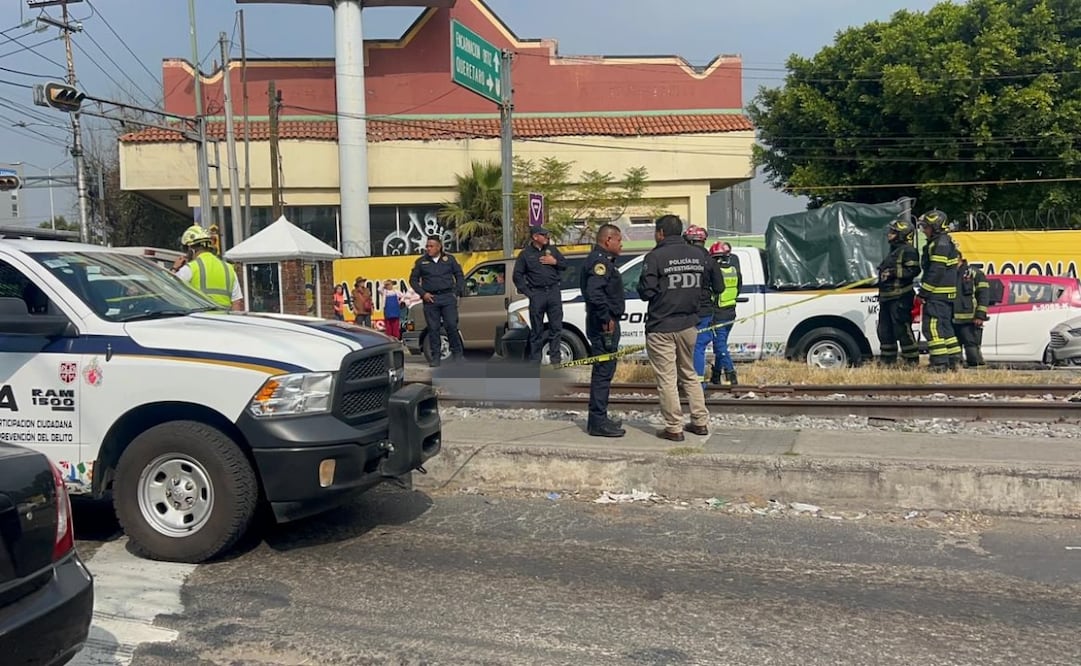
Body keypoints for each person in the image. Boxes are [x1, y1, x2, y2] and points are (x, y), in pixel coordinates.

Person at [637, 214, 710, 441]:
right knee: (689, 374)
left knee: (667, 379)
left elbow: (646, 292)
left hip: (662, 326)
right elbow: (709, 285)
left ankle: (674, 427)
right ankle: (700, 422)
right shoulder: (698, 255)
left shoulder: (655, 256)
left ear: (660, 233)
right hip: (689, 324)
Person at [581, 224, 627, 438]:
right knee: (602, 372)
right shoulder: (600, 262)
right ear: (608, 240)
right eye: (619, 240)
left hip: (605, 323)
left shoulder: (604, 260)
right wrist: (606, 318)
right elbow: (595, 293)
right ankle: (597, 422)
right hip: (603, 326)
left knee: (606, 371)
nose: (621, 244)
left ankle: (600, 417)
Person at [513, 226, 568, 365]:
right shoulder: (525, 254)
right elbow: (517, 276)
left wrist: (554, 262)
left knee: (556, 327)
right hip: (537, 293)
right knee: (537, 329)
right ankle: (535, 360)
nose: (546, 237)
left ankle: (556, 359)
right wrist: (529, 293)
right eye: (543, 235)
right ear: (535, 237)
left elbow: (565, 264)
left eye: (547, 234)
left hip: (553, 292)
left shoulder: (552, 250)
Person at [409, 235, 465, 367]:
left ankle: (457, 354)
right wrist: (423, 294)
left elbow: (459, 275)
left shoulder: (449, 259)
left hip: (447, 297)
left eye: (431, 246)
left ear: (439, 247)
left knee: (451, 325)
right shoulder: (421, 262)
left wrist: (456, 292)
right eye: (427, 246)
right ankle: (436, 357)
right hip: (431, 299)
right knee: (433, 329)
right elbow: (413, 280)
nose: (428, 248)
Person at [917, 210, 962, 371]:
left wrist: (924, 292)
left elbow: (936, 270)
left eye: (926, 227)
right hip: (945, 294)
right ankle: (954, 360)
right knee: (945, 328)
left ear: (935, 227)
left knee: (932, 328)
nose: (923, 230)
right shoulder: (944, 241)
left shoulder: (939, 244)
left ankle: (940, 363)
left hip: (937, 293)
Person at [682, 225, 723, 388]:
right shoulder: (710, 261)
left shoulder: (682, 259)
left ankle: (684, 381)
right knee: (698, 347)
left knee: (681, 347)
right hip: (704, 310)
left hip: (683, 309)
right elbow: (719, 287)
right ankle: (697, 385)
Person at [876, 218, 921, 366]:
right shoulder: (893, 250)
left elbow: (914, 270)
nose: (889, 234)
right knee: (885, 330)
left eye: (893, 232)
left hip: (900, 297)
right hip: (887, 297)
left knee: (902, 329)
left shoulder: (908, 250)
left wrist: (893, 272)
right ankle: (887, 361)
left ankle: (911, 361)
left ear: (902, 234)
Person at [172, 225, 243, 310]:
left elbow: (168, 289)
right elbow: (237, 303)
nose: (186, 254)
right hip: (224, 320)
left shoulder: (190, 268)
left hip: (199, 320)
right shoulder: (228, 268)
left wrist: (174, 268)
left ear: (191, 249)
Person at [707, 241, 742, 385]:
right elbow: (738, 289)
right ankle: (716, 376)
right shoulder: (734, 271)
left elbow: (713, 290)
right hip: (730, 312)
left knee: (719, 346)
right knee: (721, 344)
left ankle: (730, 373)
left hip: (718, 313)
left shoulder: (716, 273)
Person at [953, 253, 990, 368]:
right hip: (952, 319)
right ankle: (956, 370)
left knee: (972, 348)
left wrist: (980, 315)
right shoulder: (948, 274)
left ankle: (976, 370)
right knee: (953, 350)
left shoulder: (974, 273)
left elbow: (984, 296)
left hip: (970, 319)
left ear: (958, 258)